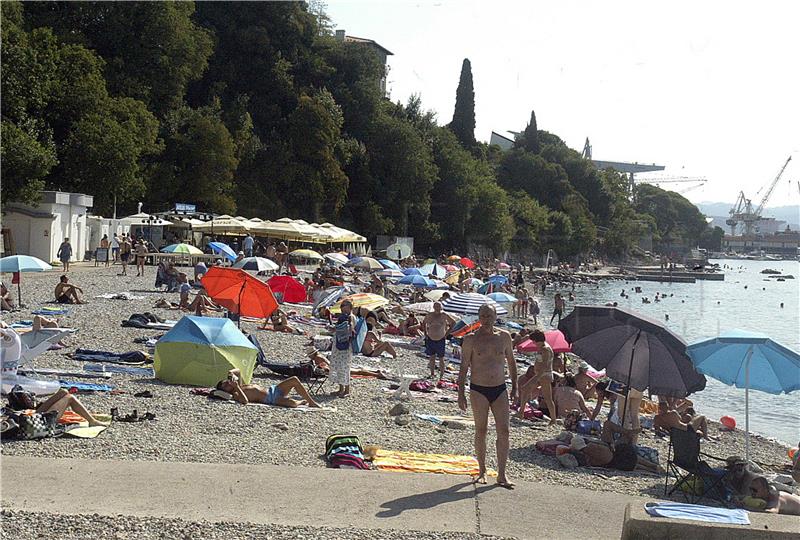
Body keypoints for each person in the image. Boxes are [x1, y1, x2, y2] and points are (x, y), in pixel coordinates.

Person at [458, 304, 517, 489]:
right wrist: (460, 392)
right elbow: (464, 367)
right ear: (478, 317)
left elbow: (512, 362)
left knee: (504, 431)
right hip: (478, 389)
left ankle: (501, 474)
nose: (485, 319)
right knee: (481, 430)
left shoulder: (504, 337)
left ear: (495, 316)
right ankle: (482, 470)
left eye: (489, 316)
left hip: (500, 388)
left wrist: (515, 387)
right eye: (482, 316)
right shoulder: (470, 339)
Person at [216, 368, 320, 409]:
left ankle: (311, 402)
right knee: (292, 404)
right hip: (271, 399)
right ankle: (300, 402)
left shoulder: (238, 384)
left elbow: (238, 370)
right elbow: (245, 401)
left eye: (226, 382)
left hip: (273, 390)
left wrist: (230, 373)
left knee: (294, 380)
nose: (228, 384)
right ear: (226, 391)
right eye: (225, 386)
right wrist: (237, 387)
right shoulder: (236, 393)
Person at [515, 330, 557, 424]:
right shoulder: (541, 347)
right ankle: (521, 412)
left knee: (547, 398)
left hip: (544, 375)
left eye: (533, 341)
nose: (533, 343)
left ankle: (553, 419)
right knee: (525, 390)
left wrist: (534, 379)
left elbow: (545, 366)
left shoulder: (545, 349)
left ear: (537, 340)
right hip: (539, 375)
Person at [33, 388, 109, 427]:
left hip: (34, 417)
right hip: (41, 422)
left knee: (64, 392)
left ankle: (92, 420)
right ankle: (92, 421)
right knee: (70, 398)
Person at [330, 300, 356, 397]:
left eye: (344, 306)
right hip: (339, 343)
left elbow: (351, 330)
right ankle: (341, 389)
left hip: (345, 345)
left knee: (344, 366)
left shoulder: (350, 317)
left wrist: (348, 325)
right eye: (342, 306)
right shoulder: (343, 317)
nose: (342, 308)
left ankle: (347, 390)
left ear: (350, 307)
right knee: (339, 366)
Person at [422, 302, 452, 379]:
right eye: (436, 306)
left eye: (439, 306)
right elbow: (424, 323)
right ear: (434, 307)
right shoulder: (430, 315)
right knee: (432, 357)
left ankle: (441, 375)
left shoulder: (444, 315)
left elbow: (453, 323)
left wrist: (447, 334)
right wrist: (425, 333)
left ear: (441, 307)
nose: (437, 308)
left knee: (441, 358)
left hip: (440, 338)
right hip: (431, 338)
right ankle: (432, 374)